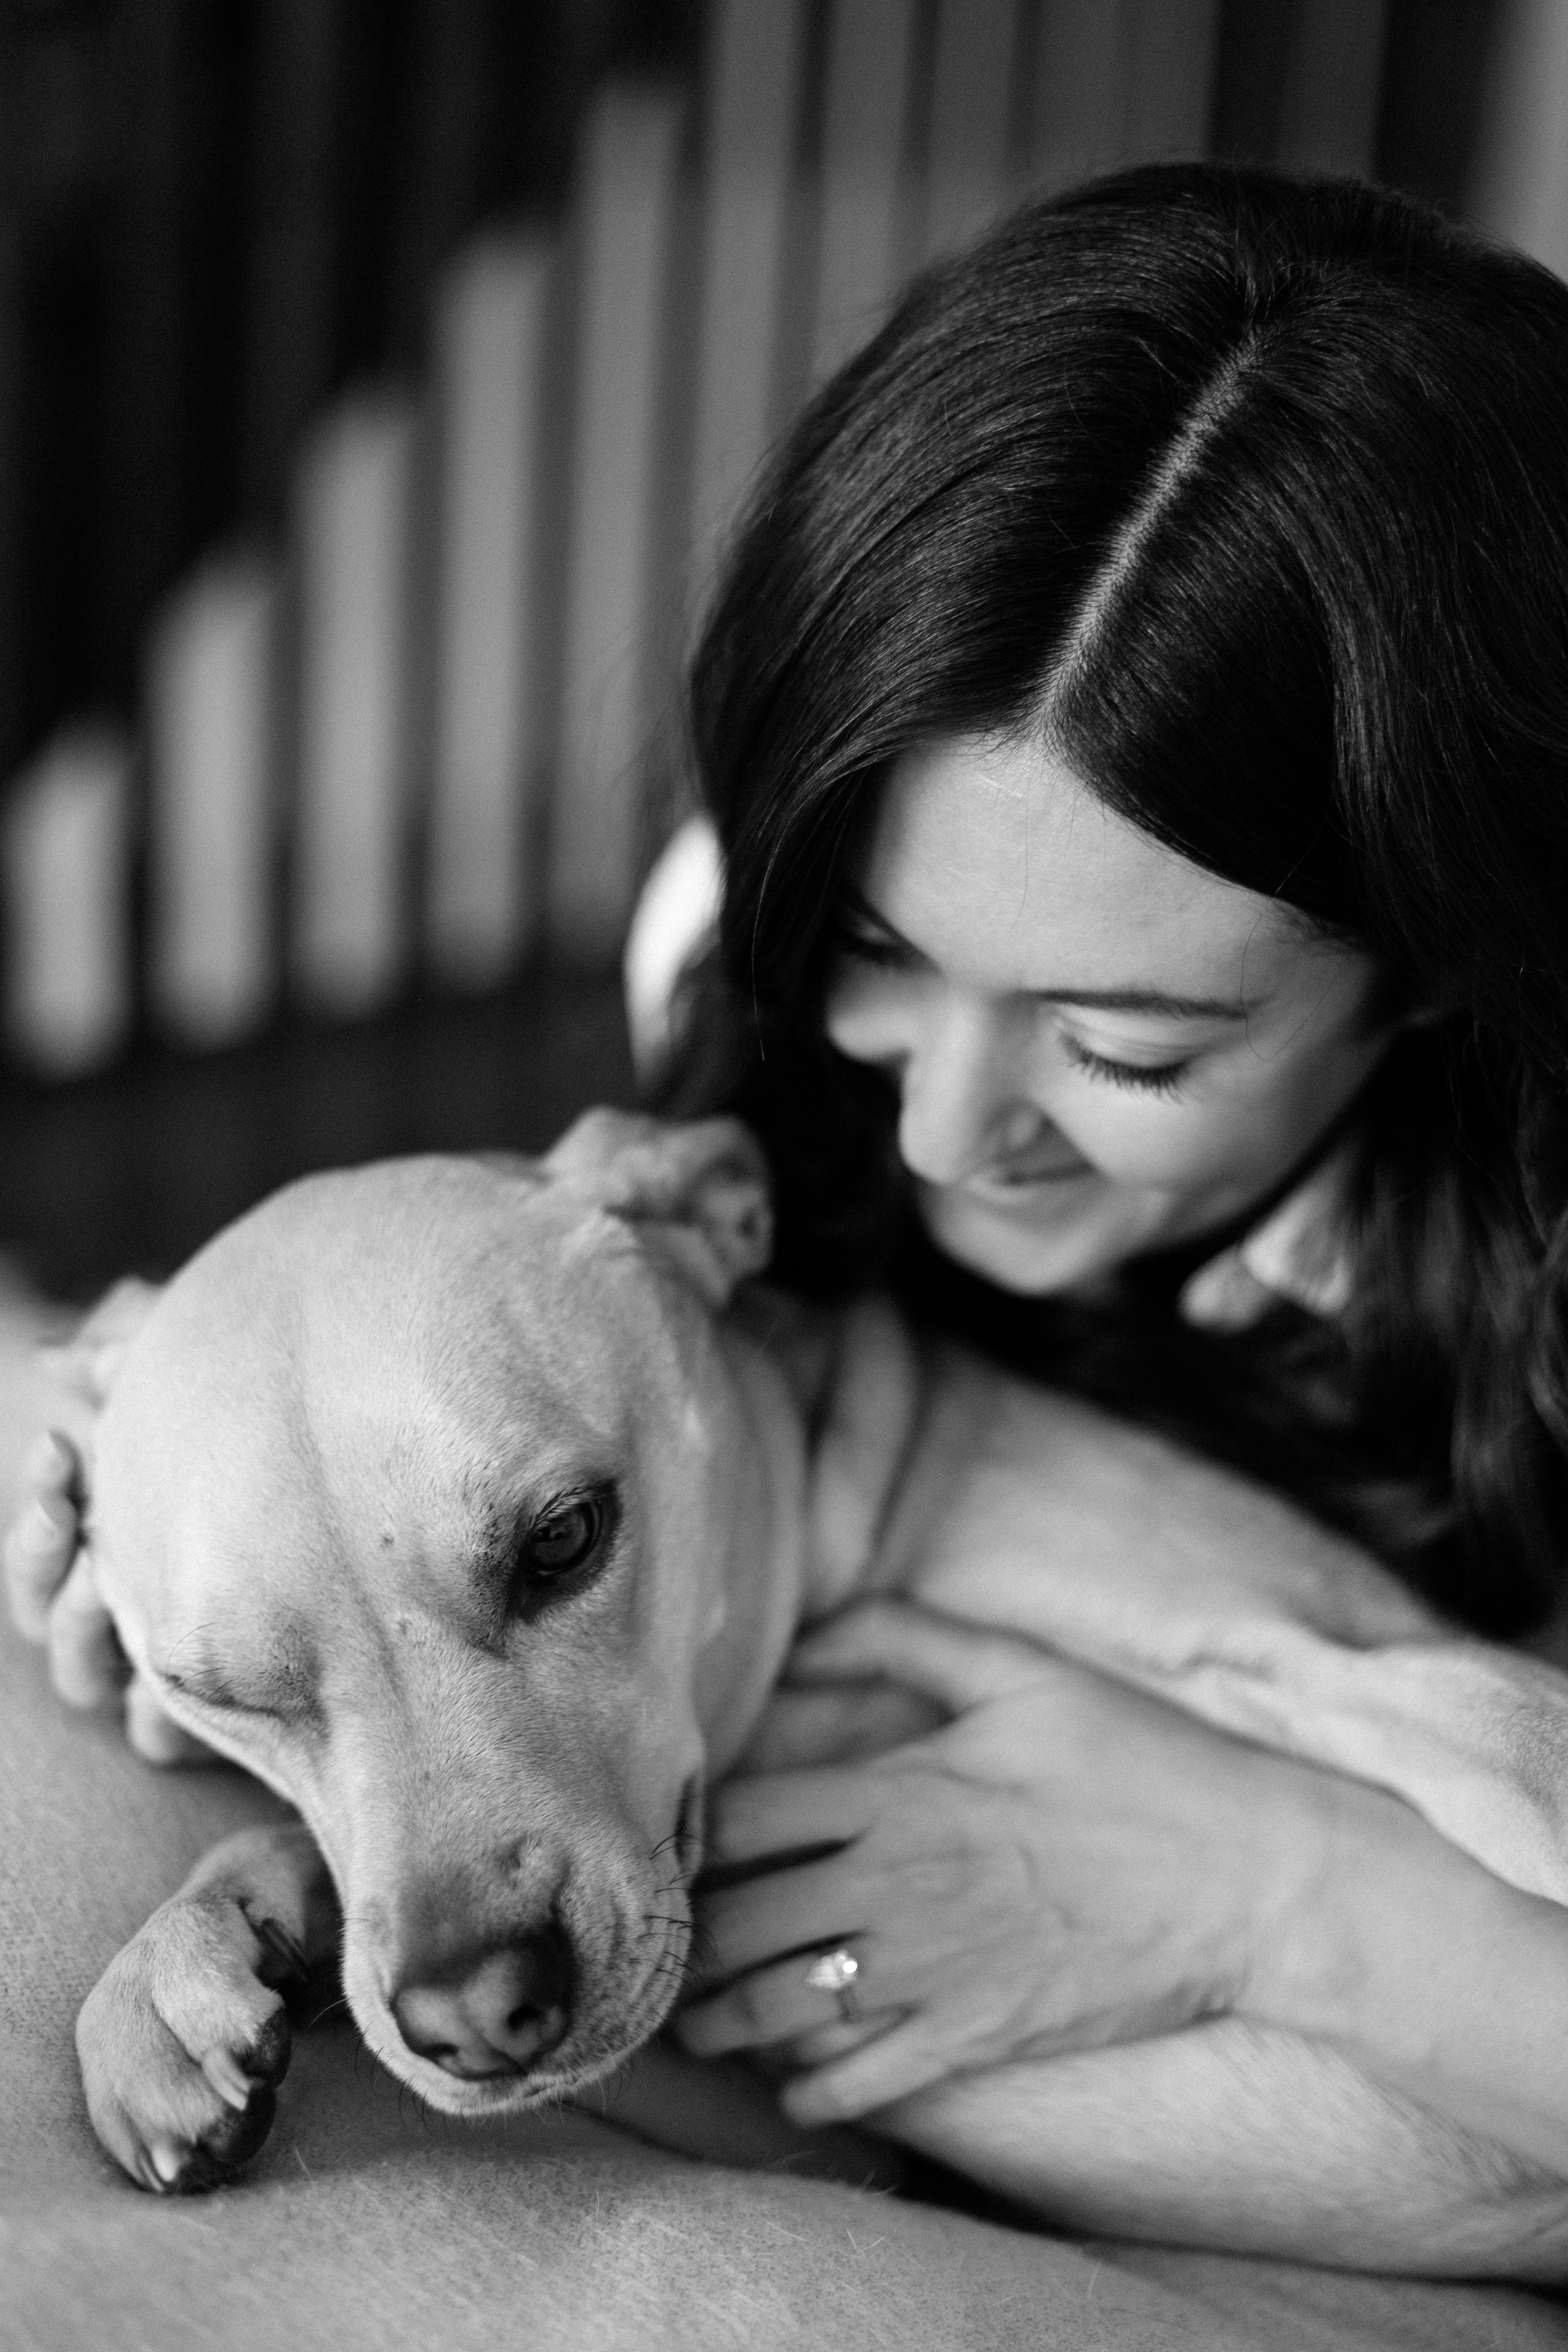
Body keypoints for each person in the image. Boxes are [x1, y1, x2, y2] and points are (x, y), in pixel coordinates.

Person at [12, 163, 1568, 2273]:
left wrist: (1263, 1884)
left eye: (1121, 1047)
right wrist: (131, 1483)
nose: (930, 1133)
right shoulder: (723, 989)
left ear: (1441, 964)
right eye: (870, 946)